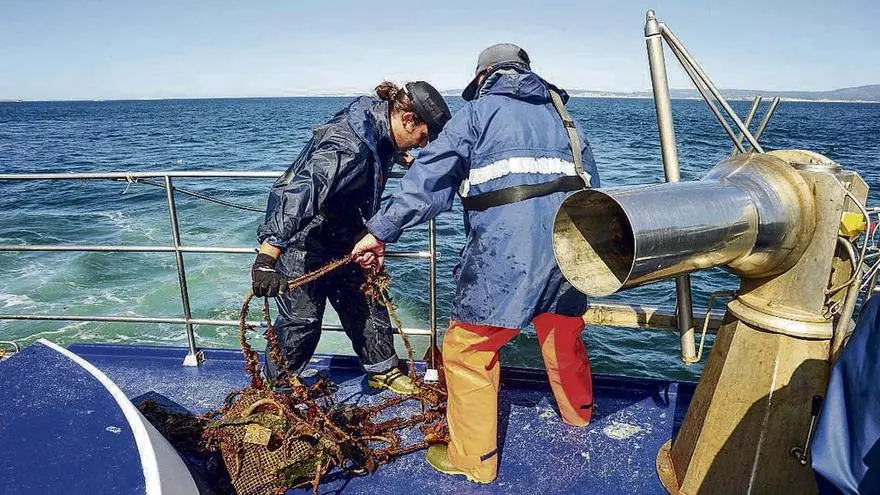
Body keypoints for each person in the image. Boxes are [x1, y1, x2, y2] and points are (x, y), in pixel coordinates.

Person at [352, 44, 600, 482]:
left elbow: (428, 180)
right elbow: (593, 186)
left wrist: (380, 230)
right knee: (562, 333)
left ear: (484, 77)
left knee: (468, 349)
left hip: (506, 254)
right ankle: (578, 416)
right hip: (569, 249)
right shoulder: (565, 118)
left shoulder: (477, 114)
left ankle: (473, 461)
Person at [251, 81, 451, 395]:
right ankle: (279, 388)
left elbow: (377, 147)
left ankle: (382, 370)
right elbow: (305, 188)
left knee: (367, 300)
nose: (422, 145)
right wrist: (268, 255)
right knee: (302, 320)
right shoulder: (348, 143)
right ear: (408, 119)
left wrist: (398, 155)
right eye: (423, 137)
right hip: (305, 235)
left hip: (346, 230)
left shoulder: (381, 128)